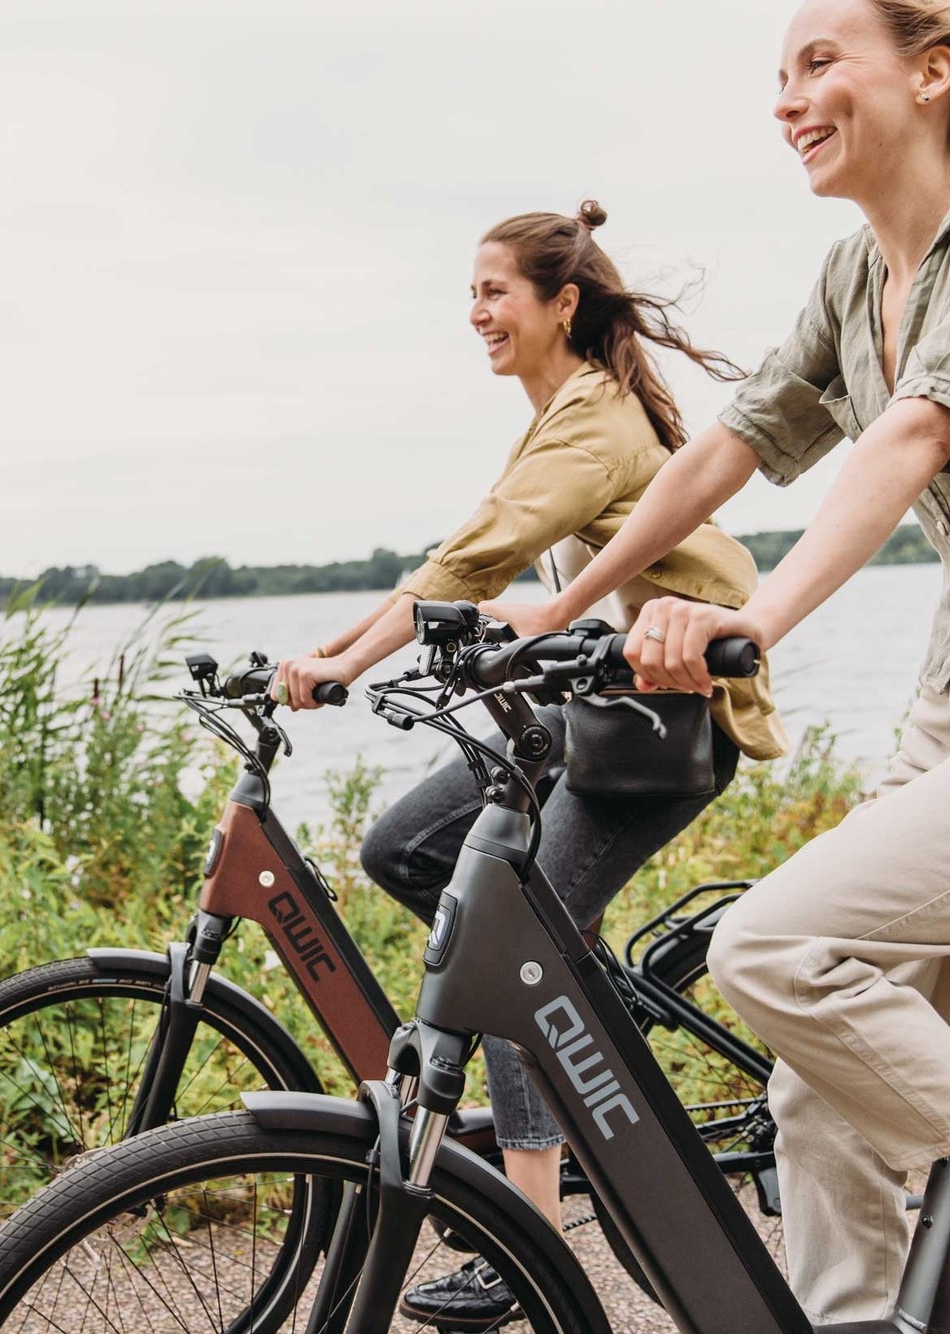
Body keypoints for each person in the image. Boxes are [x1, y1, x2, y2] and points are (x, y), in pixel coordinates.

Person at [484, 3, 950, 1330]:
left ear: (931, 72)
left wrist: (755, 623)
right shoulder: (858, 274)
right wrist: (560, 617)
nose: (789, 98)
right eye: (778, 76)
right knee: (817, 1087)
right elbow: (728, 446)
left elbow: (907, 438)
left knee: (774, 944)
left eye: (820, 61)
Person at [273, 202, 789, 1328]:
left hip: (661, 725)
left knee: (518, 942)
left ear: (562, 302)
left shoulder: (593, 420)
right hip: (590, 711)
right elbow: (469, 559)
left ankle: (528, 1241)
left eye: (495, 291)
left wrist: (337, 659)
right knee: (403, 846)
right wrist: (342, 657)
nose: (477, 312)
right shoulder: (561, 415)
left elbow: (473, 556)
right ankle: (585, 1028)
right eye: (469, 293)